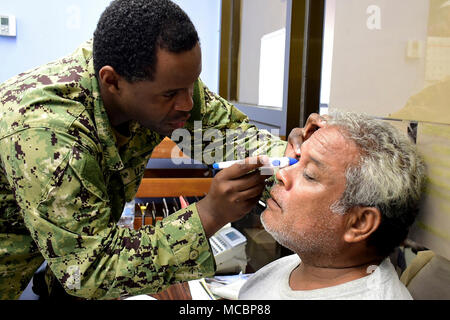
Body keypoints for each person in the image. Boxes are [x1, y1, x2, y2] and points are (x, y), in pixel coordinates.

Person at [0, 0, 309, 300]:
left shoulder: (158, 77)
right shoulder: (50, 133)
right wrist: (210, 214)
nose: (187, 103)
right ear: (112, 81)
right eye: (171, 94)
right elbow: (91, 269)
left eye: (192, 86)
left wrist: (299, 158)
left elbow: (227, 138)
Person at [238, 110, 426, 300]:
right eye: (296, 160)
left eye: (309, 175)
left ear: (359, 222)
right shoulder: (308, 265)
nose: (280, 174)